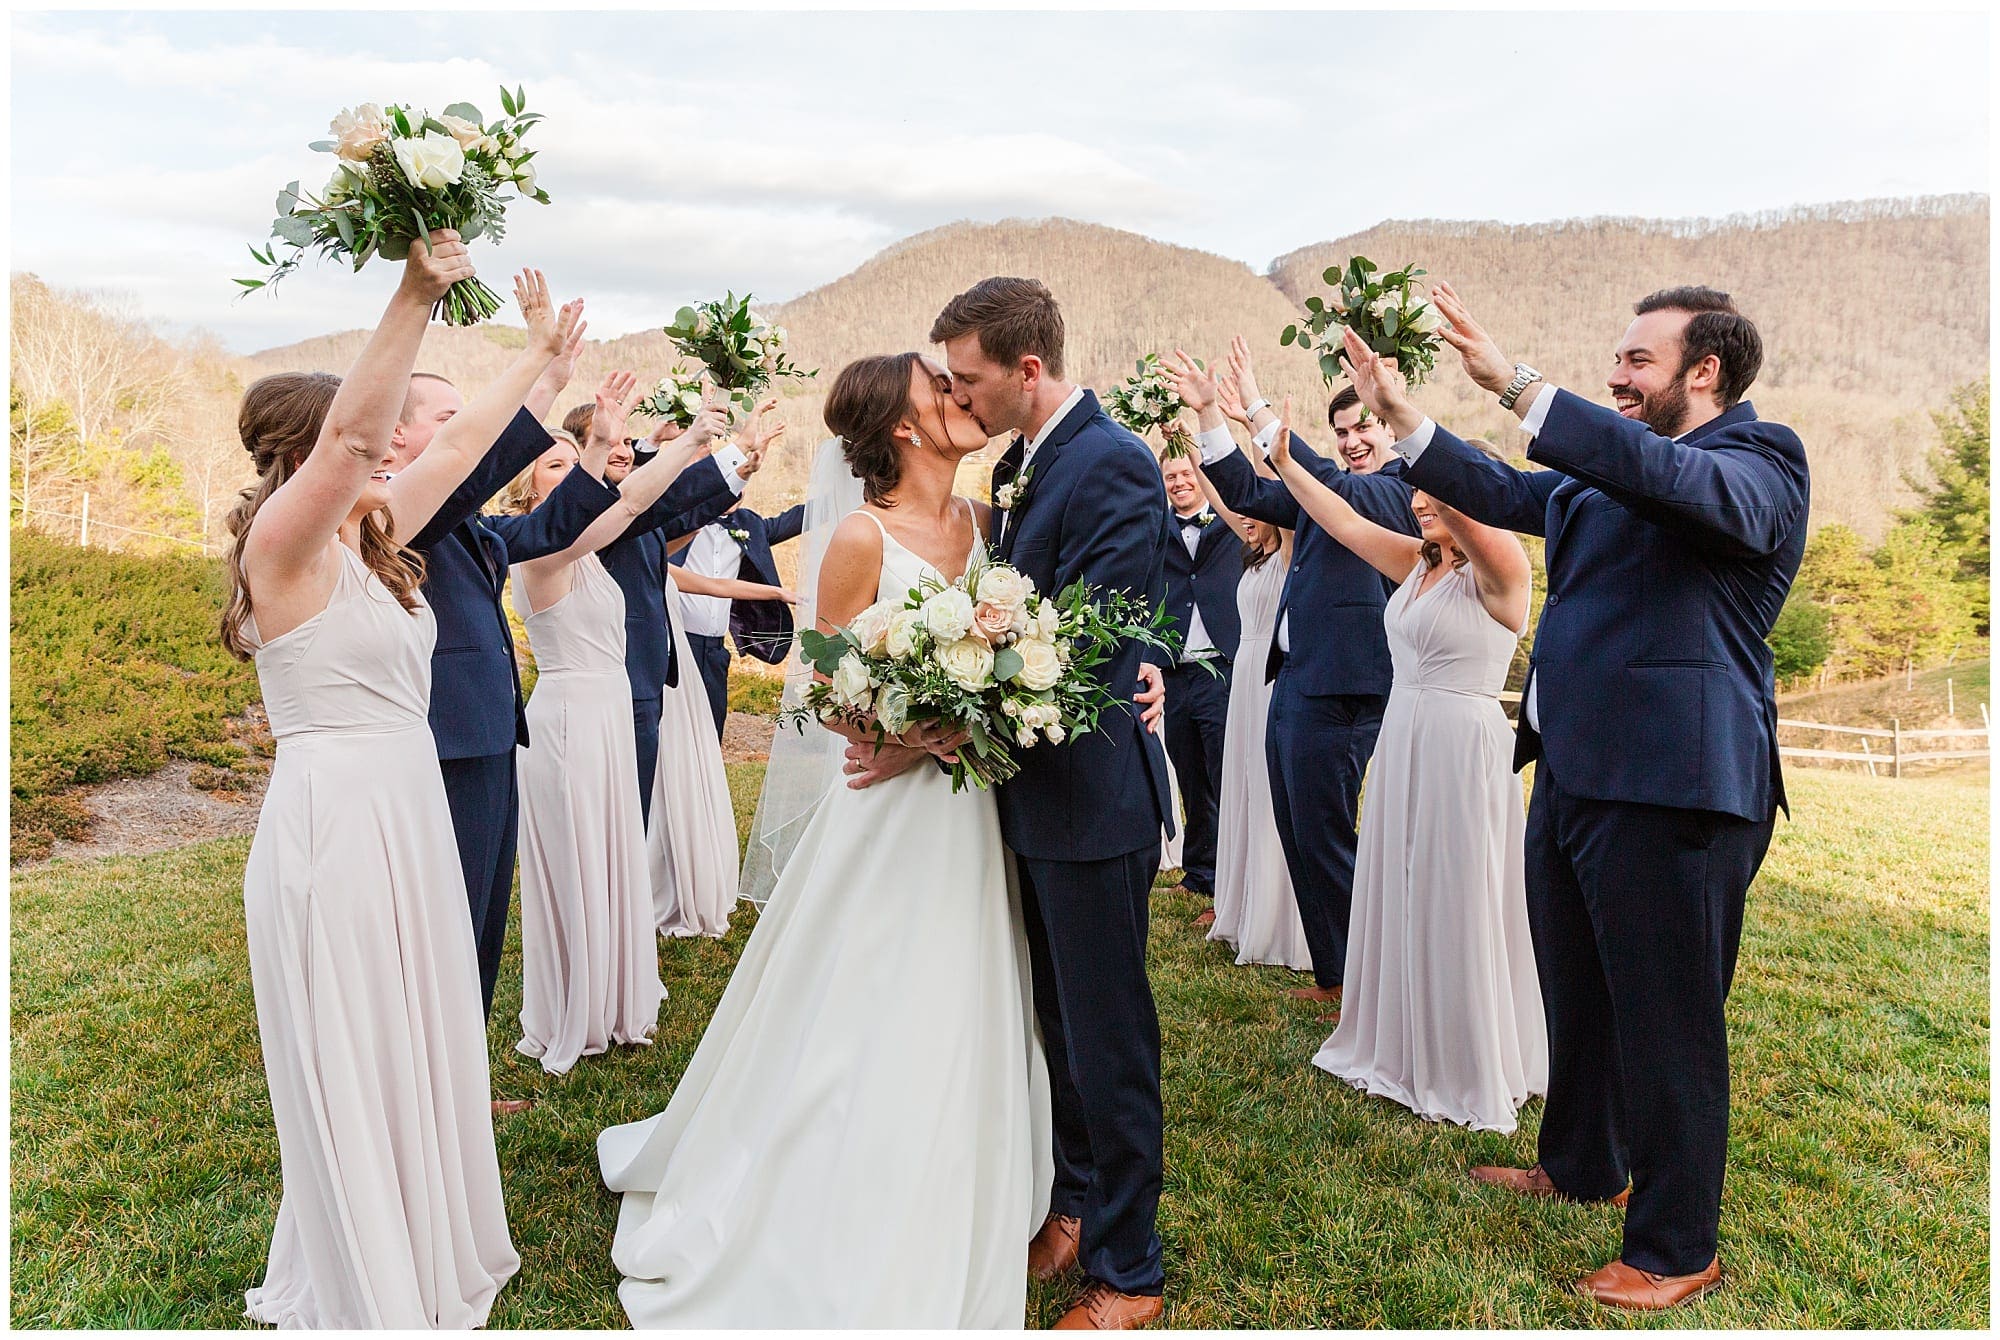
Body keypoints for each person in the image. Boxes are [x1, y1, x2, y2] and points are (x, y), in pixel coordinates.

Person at [1347, 281, 1808, 1308]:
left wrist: (1518, 384)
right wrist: (1402, 416)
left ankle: (1675, 1245)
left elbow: (1668, 480)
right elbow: (1508, 490)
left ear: (1705, 370)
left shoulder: (1758, 459)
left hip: (1675, 786)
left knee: (1667, 1020)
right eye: (1616, 359)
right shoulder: (1609, 471)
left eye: (1638, 360)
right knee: (1577, 988)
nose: (1616, 375)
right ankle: (1581, 1164)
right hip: (1570, 771)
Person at [596, 352, 1051, 1327]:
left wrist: (981, 710)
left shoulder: (989, 525)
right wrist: (914, 729)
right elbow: (829, 689)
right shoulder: (857, 537)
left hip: (972, 807)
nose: (960, 398)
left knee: (966, 974)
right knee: (870, 989)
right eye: (939, 390)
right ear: (901, 426)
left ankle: (957, 1167)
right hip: (888, 809)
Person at [220, 241, 570, 1327]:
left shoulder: (375, 536)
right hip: (336, 824)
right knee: (358, 1040)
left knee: (418, 1025)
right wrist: (416, 292)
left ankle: (424, 1225)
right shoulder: (286, 548)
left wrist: (536, 360)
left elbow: (457, 446)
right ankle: (367, 1259)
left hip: (406, 810)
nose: (389, 455)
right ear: (305, 455)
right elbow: (358, 438)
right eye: (365, 442)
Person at [857, 276, 1172, 1330]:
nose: (957, 394)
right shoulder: (1025, 463)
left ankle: (1130, 1270)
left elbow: (1087, 646)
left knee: (1108, 1037)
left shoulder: (1112, 460)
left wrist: (932, 728)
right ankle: (1072, 1202)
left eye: (968, 378)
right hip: (1026, 798)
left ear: (1026, 370)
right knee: (1056, 1022)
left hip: (1090, 802)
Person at [1257, 397, 1546, 1130]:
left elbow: (1478, 522)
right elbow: (1344, 524)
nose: (1418, 501)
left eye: (1432, 489)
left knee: (1456, 890)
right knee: (1403, 883)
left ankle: (1463, 1054)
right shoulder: (1421, 563)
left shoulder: (1503, 570)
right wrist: (1284, 461)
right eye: (1416, 489)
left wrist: (1419, 438)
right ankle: (1402, 1035)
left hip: (1461, 749)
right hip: (1405, 737)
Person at [1166, 342, 1418, 1015]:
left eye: (1363, 427)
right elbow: (1248, 494)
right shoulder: (1325, 488)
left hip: (1348, 688)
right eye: (1341, 432)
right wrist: (1211, 417)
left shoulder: (1398, 490)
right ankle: (1335, 971)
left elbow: (1330, 487)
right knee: (1299, 828)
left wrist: (1259, 411)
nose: (1352, 441)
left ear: (1391, 425)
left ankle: (1367, 979)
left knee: (1327, 832)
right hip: (1296, 678)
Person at [392, 306, 623, 1037]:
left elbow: (551, 527)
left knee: (486, 908)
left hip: (494, 731)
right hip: (446, 738)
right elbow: (472, 466)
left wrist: (597, 450)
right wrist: (543, 381)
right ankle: (438, 1054)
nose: (466, 425)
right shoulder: (392, 512)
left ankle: (463, 1058)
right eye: (448, 417)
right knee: (450, 909)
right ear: (396, 435)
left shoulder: (467, 522)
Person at [498, 382, 724, 1074]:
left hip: (607, 716)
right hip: (569, 722)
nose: (575, 476)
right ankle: (579, 1003)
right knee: (579, 863)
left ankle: (616, 993)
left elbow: (629, 502)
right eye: (555, 465)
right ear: (528, 489)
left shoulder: (588, 544)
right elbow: (599, 503)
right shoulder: (542, 551)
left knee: (614, 853)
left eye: (577, 464)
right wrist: (596, 444)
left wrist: (692, 441)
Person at [563, 402, 763, 824]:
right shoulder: (592, 510)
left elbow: (676, 517)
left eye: (627, 441)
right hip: (619, 674)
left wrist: (738, 474)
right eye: (611, 442)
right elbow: (666, 499)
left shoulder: (629, 507)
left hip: (645, 674)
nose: (625, 451)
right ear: (585, 449)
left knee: (637, 809)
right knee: (620, 812)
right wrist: (731, 449)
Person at [1196, 376, 1309, 971]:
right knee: (1240, 783)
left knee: (1267, 790)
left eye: (1255, 514)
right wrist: (1196, 443)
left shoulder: (1288, 550)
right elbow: (1226, 501)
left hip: (1269, 679)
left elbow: (1273, 496)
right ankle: (1237, 904)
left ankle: (1275, 915)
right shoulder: (1252, 553)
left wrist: (1254, 433)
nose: (1244, 520)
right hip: (1241, 678)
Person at [649, 553, 795, 939]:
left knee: (685, 774)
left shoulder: (656, 558)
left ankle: (681, 870)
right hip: (652, 673)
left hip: (679, 681)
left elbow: (716, 586)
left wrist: (778, 593)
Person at [668, 398, 803, 736]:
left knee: (711, 733)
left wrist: (843, 492)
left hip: (716, 650)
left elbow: (796, 518)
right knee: (672, 735)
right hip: (674, 645)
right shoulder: (681, 521)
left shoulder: (750, 525)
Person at [1155, 449, 1244, 917]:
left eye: (1186, 473)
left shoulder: (1230, 520)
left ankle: (1234, 883)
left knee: (1225, 776)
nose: (1179, 482)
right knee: (1190, 777)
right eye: (1170, 476)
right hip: (1175, 671)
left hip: (1222, 666)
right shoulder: (1156, 527)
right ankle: (1200, 873)